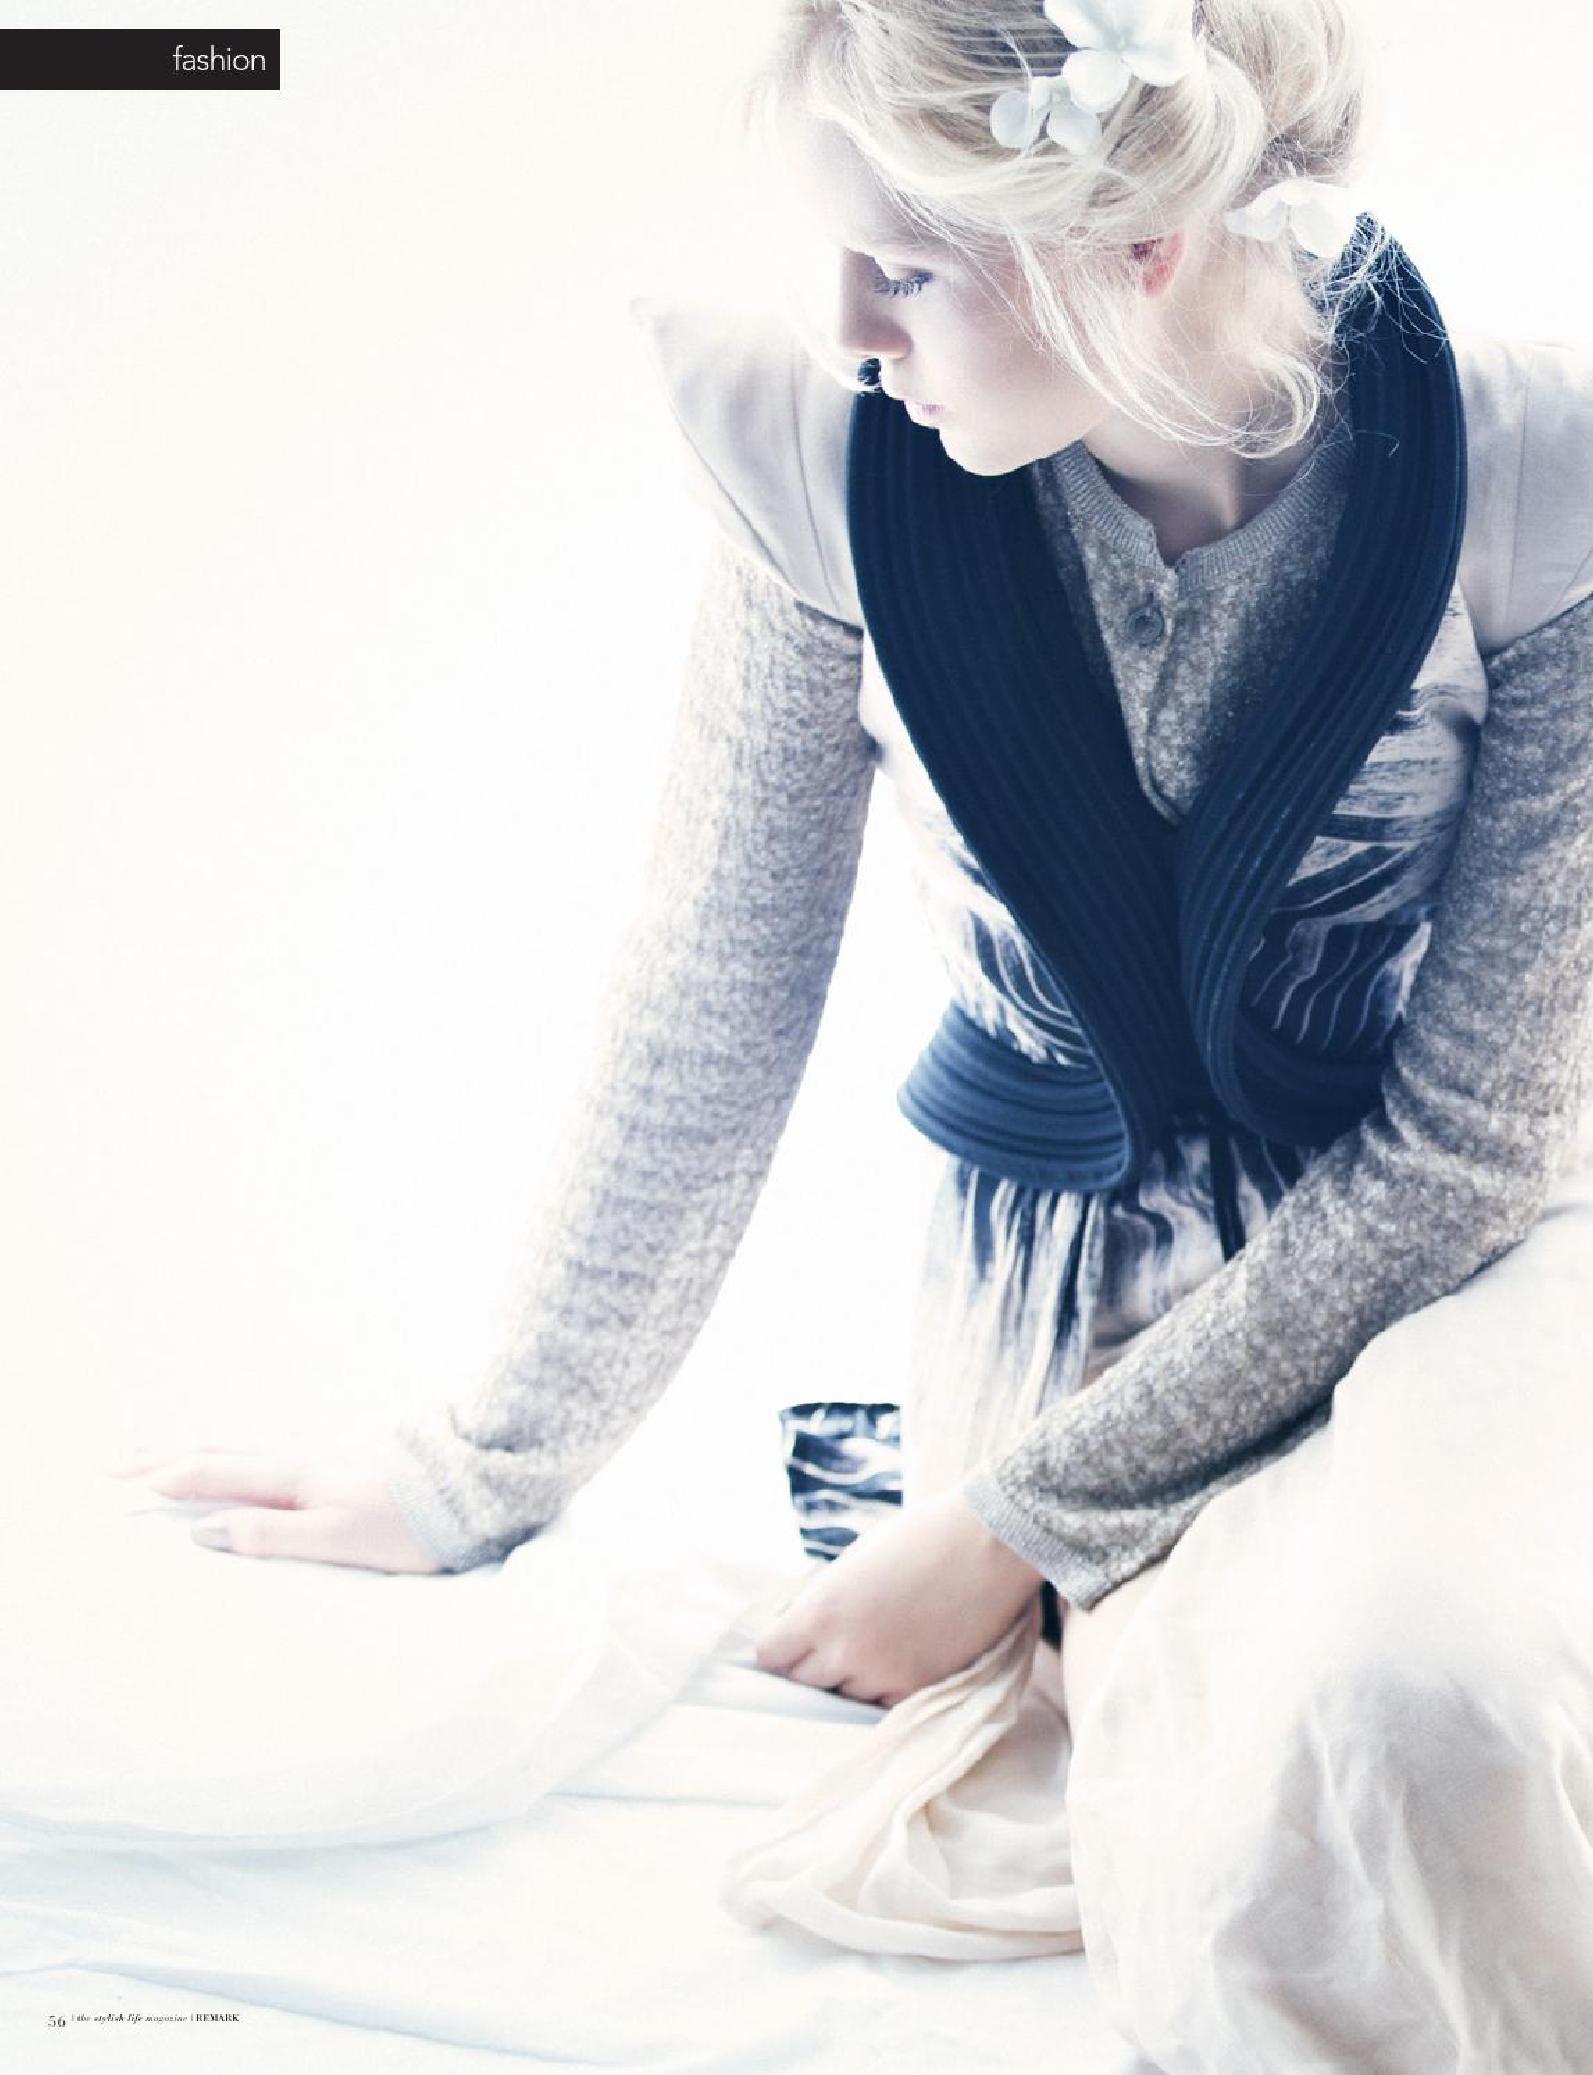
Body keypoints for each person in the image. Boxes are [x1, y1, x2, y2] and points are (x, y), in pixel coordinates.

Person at [111, 0, 1593, 2054]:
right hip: (1066, 1283)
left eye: (901, 267)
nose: (843, 329)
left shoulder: (1529, 475)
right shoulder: (824, 467)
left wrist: (1006, 1525)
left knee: (1429, 1694)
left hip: (1443, 1267)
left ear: (1138, 244)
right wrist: (487, 1464)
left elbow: (1471, 1149)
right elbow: (715, 986)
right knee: (1244, 1789)